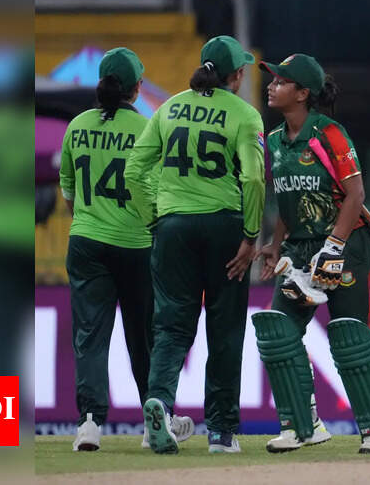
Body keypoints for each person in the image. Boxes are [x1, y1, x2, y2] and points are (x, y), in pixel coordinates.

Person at [247, 53, 370, 454]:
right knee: (277, 330)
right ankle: (302, 426)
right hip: (299, 249)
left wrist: (333, 247)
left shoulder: (329, 133)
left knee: (351, 337)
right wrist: (275, 243)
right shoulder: (275, 139)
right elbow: (289, 200)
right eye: (273, 80)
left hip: (345, 245)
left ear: (303, 93)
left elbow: (356, 195)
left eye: (281, 82)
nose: (271, 86)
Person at [125, 35, 265, 454]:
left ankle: (160, 406)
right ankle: (220, 432)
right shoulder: (245, 114)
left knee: (170, 327)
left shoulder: (168, 108)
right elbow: (253, 178)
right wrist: (251, 235)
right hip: (224, 226)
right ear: (236, 75)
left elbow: (134, 170)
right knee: (224, 329)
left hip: (173, 227)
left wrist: (154, 218)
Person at [60, 48, 194, 452]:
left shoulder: (76, 126)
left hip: (86, 242)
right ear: (136, 88)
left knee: (89, 336)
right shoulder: (147, 127)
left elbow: (69, 195)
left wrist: (91, 219)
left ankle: (89, 424)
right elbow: (160, 191)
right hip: (138, 245)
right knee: (146, 337)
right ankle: (156, 421)